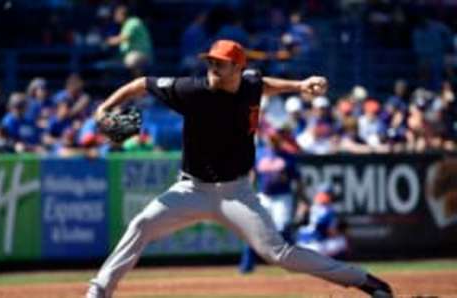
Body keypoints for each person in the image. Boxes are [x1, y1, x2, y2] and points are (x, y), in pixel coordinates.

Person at [87, 39, 393, 298]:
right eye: (210, 62)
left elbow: (263, 85)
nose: (212, 68)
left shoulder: (249, 84)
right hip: (191, 189)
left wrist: (299, 85)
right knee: (141, 225)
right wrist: (104, 108)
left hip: (237, 193)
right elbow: (141, 84)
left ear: (237, 68)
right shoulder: (191, 90)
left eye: (219, 64)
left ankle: (362, 280)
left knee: (278, 253)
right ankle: (99, 290)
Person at [239, 131, 301, 273]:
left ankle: (294, 263)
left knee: (282, 230)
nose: (272, 142)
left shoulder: (288, 157)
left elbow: (297, 181)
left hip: (282, 197)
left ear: (279, 140)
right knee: (254, 229)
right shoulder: (260, 154)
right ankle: (247, 266)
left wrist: (301, 200)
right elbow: (253, 175)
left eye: (275, 140)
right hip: (264, 196)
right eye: (270, 139)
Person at [106, 5, 153, 74]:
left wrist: (107, 41)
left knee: (131, 61)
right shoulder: (125, 24)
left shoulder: (133, 22)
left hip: (141, 55)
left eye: (117, 14)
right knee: (108, 64)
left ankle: (139, 80)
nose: (115, 16)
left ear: (122, 14)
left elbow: (124, 37)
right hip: (128, 54)